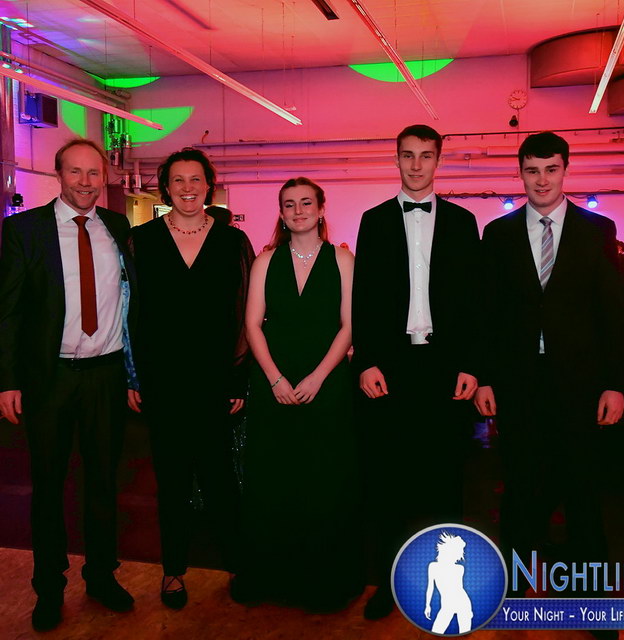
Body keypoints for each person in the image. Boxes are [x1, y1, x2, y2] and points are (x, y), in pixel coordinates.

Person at [474, 133, 624, 620]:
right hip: (520, 384)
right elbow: (488, 313)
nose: (541, 180)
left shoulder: (597, 229)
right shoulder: (498, 235)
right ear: (520, 173)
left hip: (580, 384)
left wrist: (616, 381)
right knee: (521, 489)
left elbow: (614, 311)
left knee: (583, 491)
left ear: (565, 169)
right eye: (532, 170)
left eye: (550, 169)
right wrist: (485, 378)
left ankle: (592, 604)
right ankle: (513, 592)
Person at [0, 138, 137, 631]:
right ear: (58, 175)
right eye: (75, 172)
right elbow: (9, 311)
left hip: (106, 375)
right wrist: (8, 380)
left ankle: (101, 576)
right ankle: (49, 587)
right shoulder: (25, 230)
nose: (85, 182)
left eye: (94, 173)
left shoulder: (118, 227)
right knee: (49, 486)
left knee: (103, 482)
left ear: (105, 178)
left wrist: (134, 373)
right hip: (50, 378)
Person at [351, 124, 481, 620]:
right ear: (396, 159)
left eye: (426, 156)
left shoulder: (464, 222)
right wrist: (366, 360)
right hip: (391, 366)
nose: (416, 165)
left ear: (438, 161)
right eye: (408, 155)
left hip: (446, 367)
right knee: (388, 480)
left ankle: (449, 585)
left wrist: (471, 364)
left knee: (444, 479)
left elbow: (473, 300)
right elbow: (364, 295)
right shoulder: (374, 220)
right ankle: (389, 582)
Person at [129, 148, 254, 609]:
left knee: (222, 480)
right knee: (172, 482)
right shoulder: (140, 240)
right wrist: (133, 376)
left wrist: (239, 378)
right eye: (178, 180)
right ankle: (173, 572)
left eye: (195, 179)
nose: (187, 188)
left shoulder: (232, 241)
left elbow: (245, 313)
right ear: (166, 187)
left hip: (216, 381)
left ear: (208, 186)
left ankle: (237, 564)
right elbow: (130, 313)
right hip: (161, 381)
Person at [235, 177, 361, 611]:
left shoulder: (343, 259)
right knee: (274, 479)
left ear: (321, 208)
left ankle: (321, 582)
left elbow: (350, 325)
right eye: (290, 204)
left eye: (307, 203)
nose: (299, 210)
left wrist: (319, 377)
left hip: (326, 383)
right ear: (282, 213)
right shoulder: (265, 261)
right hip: (274, 383)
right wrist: (274, 379)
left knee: (323, 479)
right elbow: (252, 324)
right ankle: (271, 577)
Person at [424, 532, 473, 634]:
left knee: (465, 634)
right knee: (436, 631)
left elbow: (459, 588)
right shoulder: (433, 566)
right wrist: (427, 605)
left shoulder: (460, 568)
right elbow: (430, 587)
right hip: (447, 605)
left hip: (463, 603)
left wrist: (469, 610)